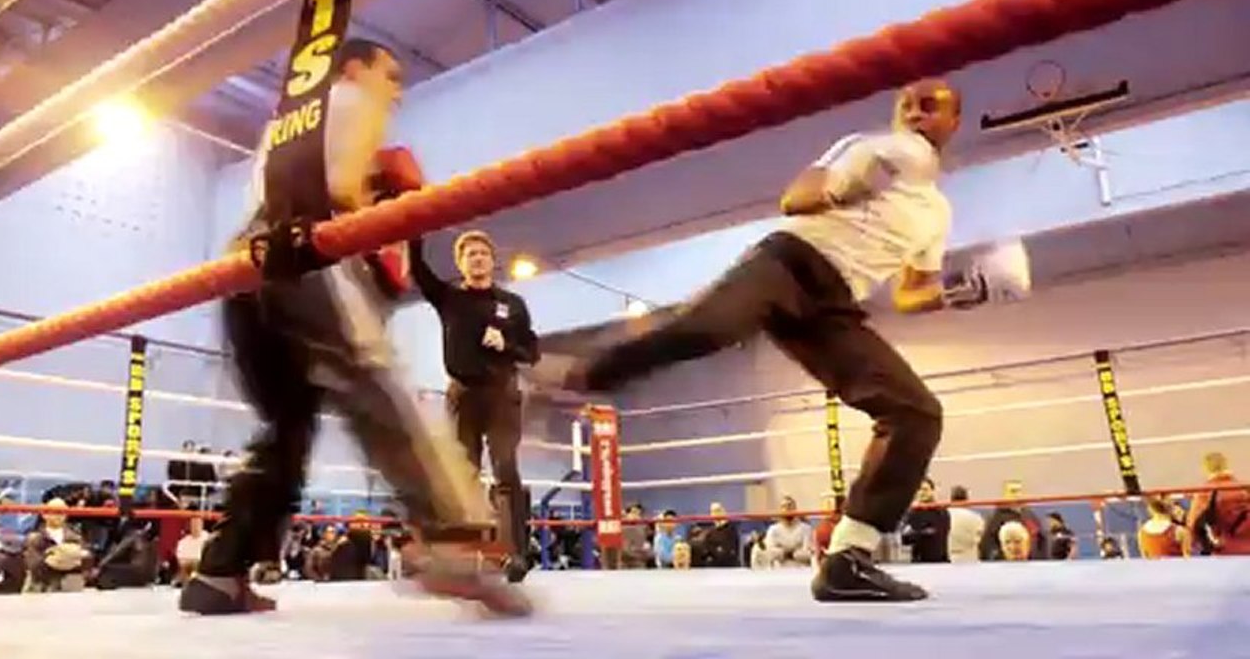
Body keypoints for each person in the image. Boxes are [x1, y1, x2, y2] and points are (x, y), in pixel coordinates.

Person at [565, 78, 1029, 601]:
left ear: (953, 121)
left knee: (915, 412)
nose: (917, 114)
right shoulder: (867, 147)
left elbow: (911, 292)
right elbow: (794, 198)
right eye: (908, 106)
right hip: (787, 262)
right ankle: (585, 374)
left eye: (931, 107)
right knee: (709, 329)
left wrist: (967, 290)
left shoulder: (936, 211)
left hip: (834, 304)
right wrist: (844, 187)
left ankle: (847, 560)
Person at [179, 38, 529, 617]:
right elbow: (340, 192)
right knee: (375, 378)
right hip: (304, 253)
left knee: (287, 429)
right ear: (353, 67)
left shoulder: (291, 121)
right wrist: (386, 193)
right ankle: (448, 542)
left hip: (247, 266)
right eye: (388, 75)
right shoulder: (347, 98)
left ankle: (219, 572)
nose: (394, 90)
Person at [409, 228, 540, 582]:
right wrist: (411, 226)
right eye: (470, 254)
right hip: (462, 393)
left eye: (483, 252)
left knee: (505, 468)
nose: (477, 258)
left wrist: (507, 345)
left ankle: (516, 555)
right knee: (462, 473)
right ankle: (465, 555)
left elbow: (533, 351)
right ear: (460, 263)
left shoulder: (513, 304)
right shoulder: (449, 298)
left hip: (501, 393)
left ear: (492, 260)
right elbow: (417, 270)